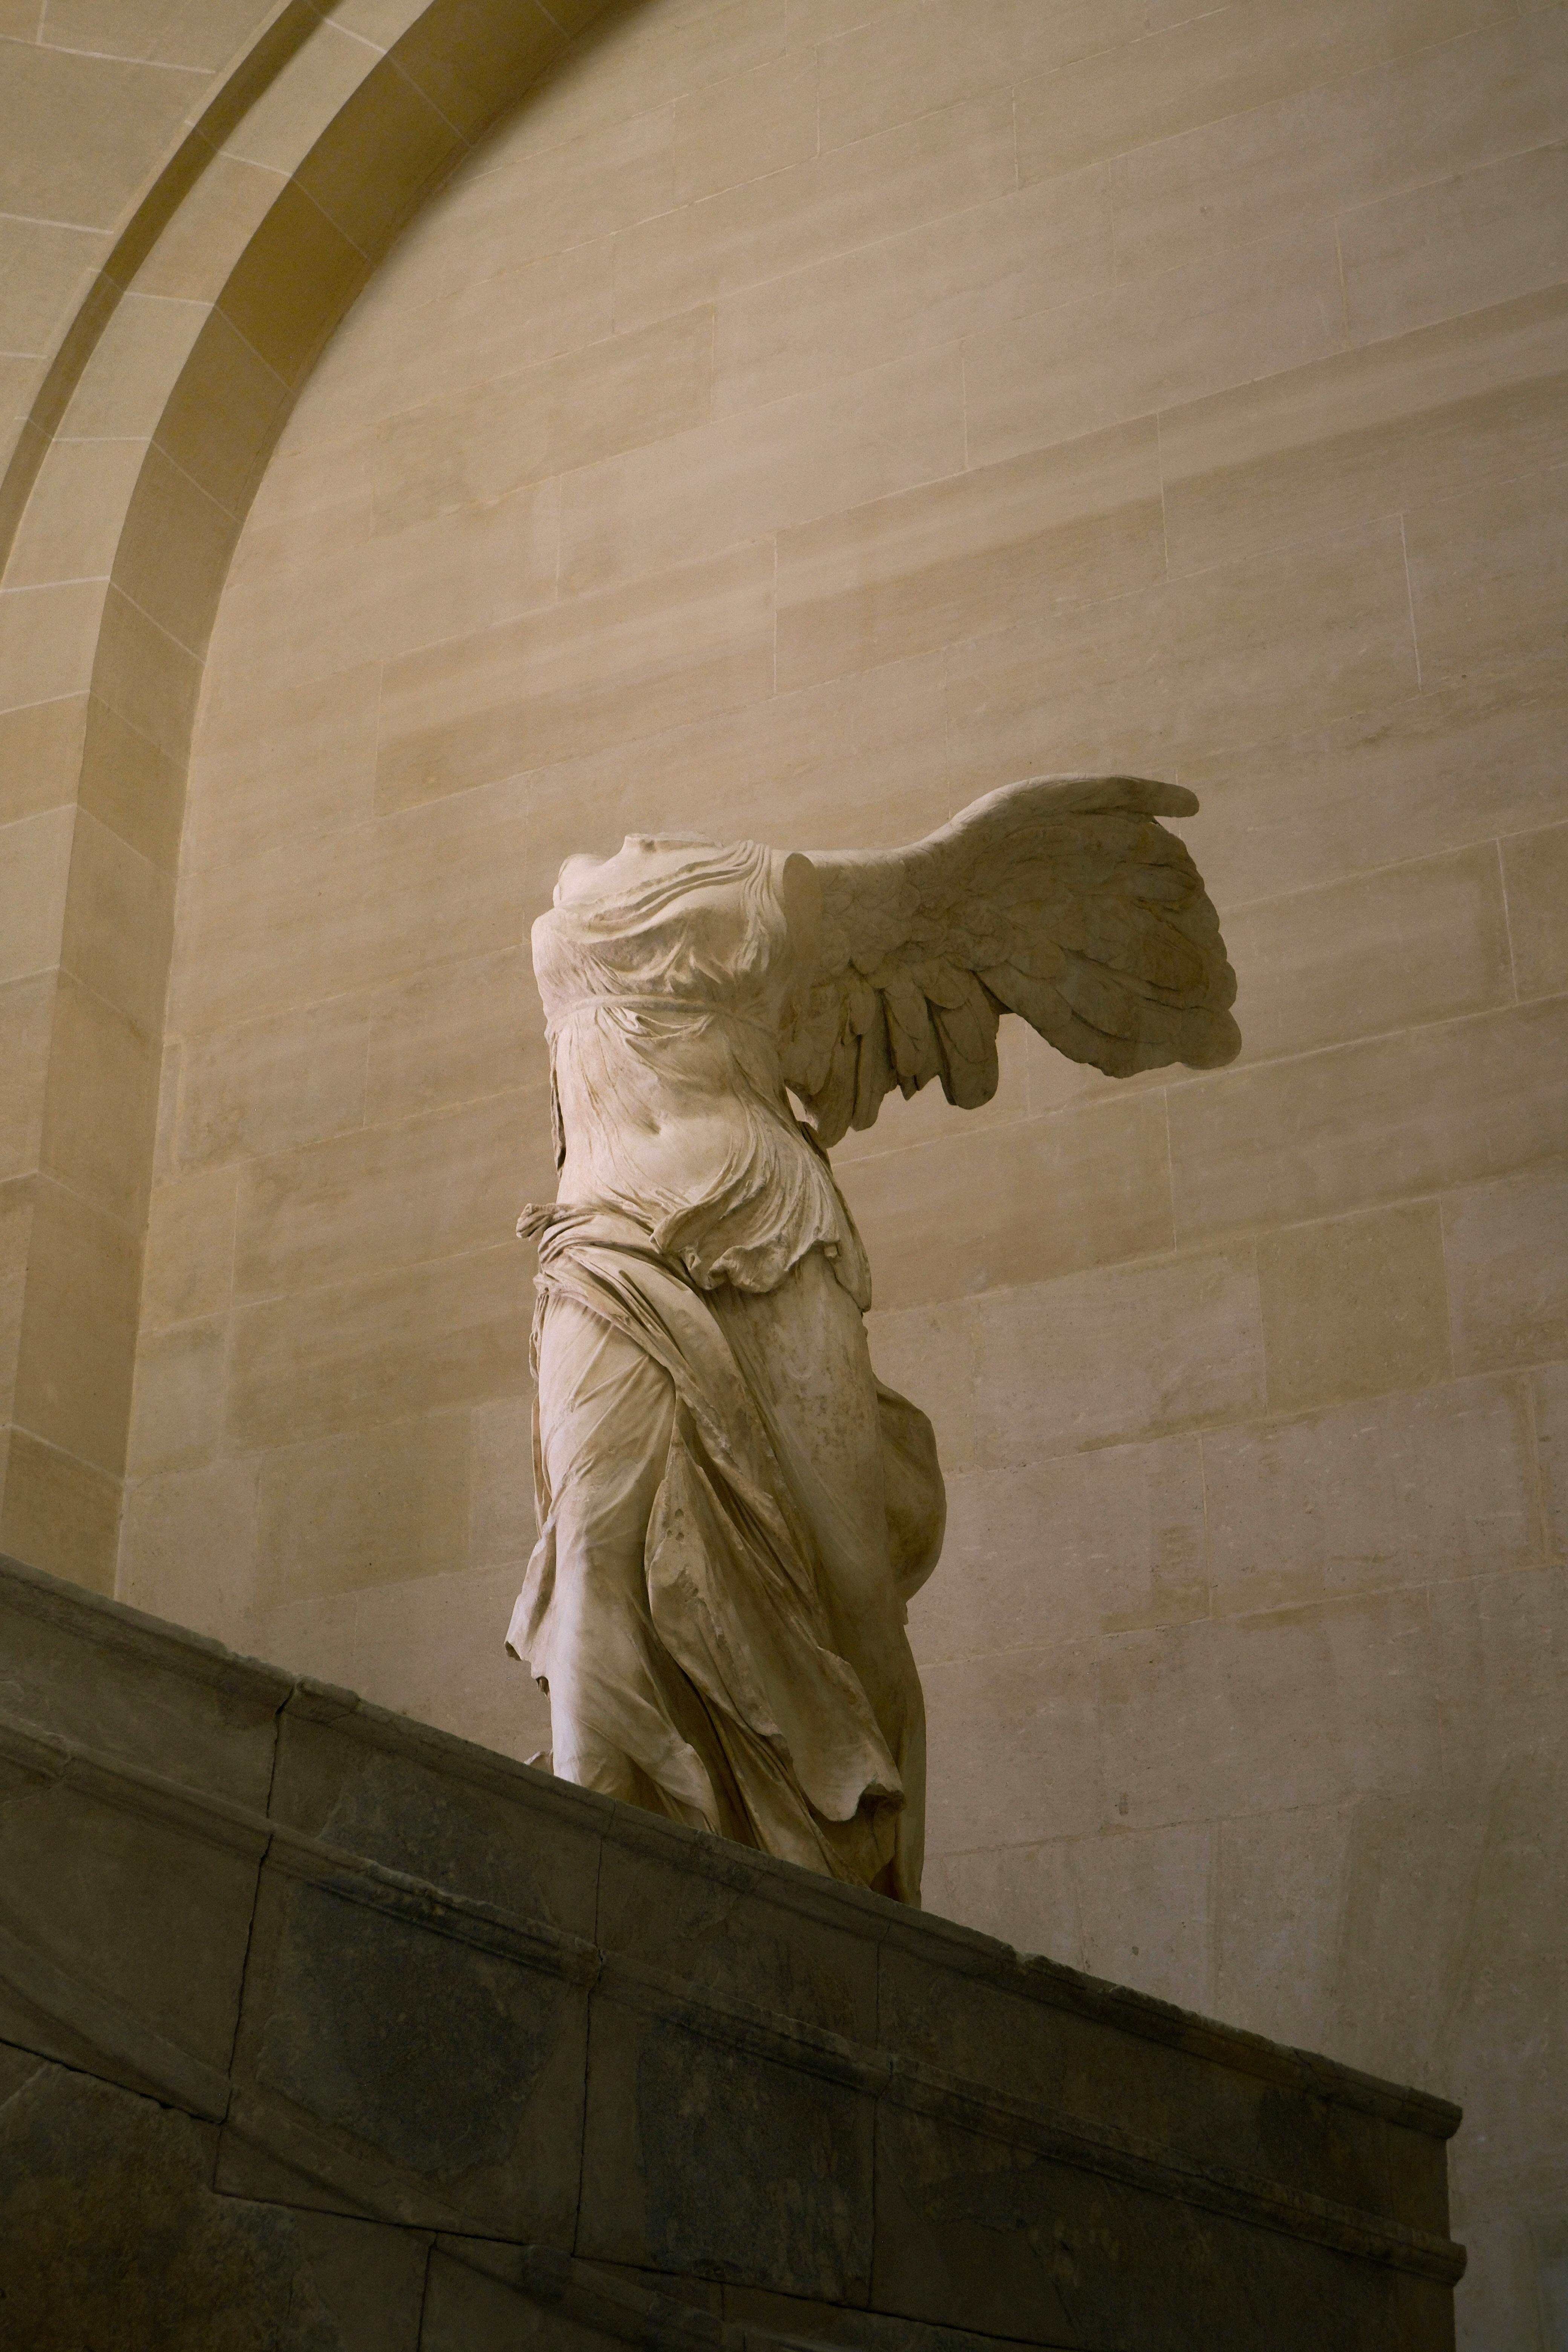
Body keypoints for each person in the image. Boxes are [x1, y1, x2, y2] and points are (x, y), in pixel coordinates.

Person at [507, 780, 1240, 1904]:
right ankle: (582, 1883)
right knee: (594, 1557)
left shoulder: (774, 884)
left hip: (765, 1222)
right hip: (602, 1241)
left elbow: (945, 884)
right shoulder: (575, 893)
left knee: (854, 1588)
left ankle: (884, 1905)